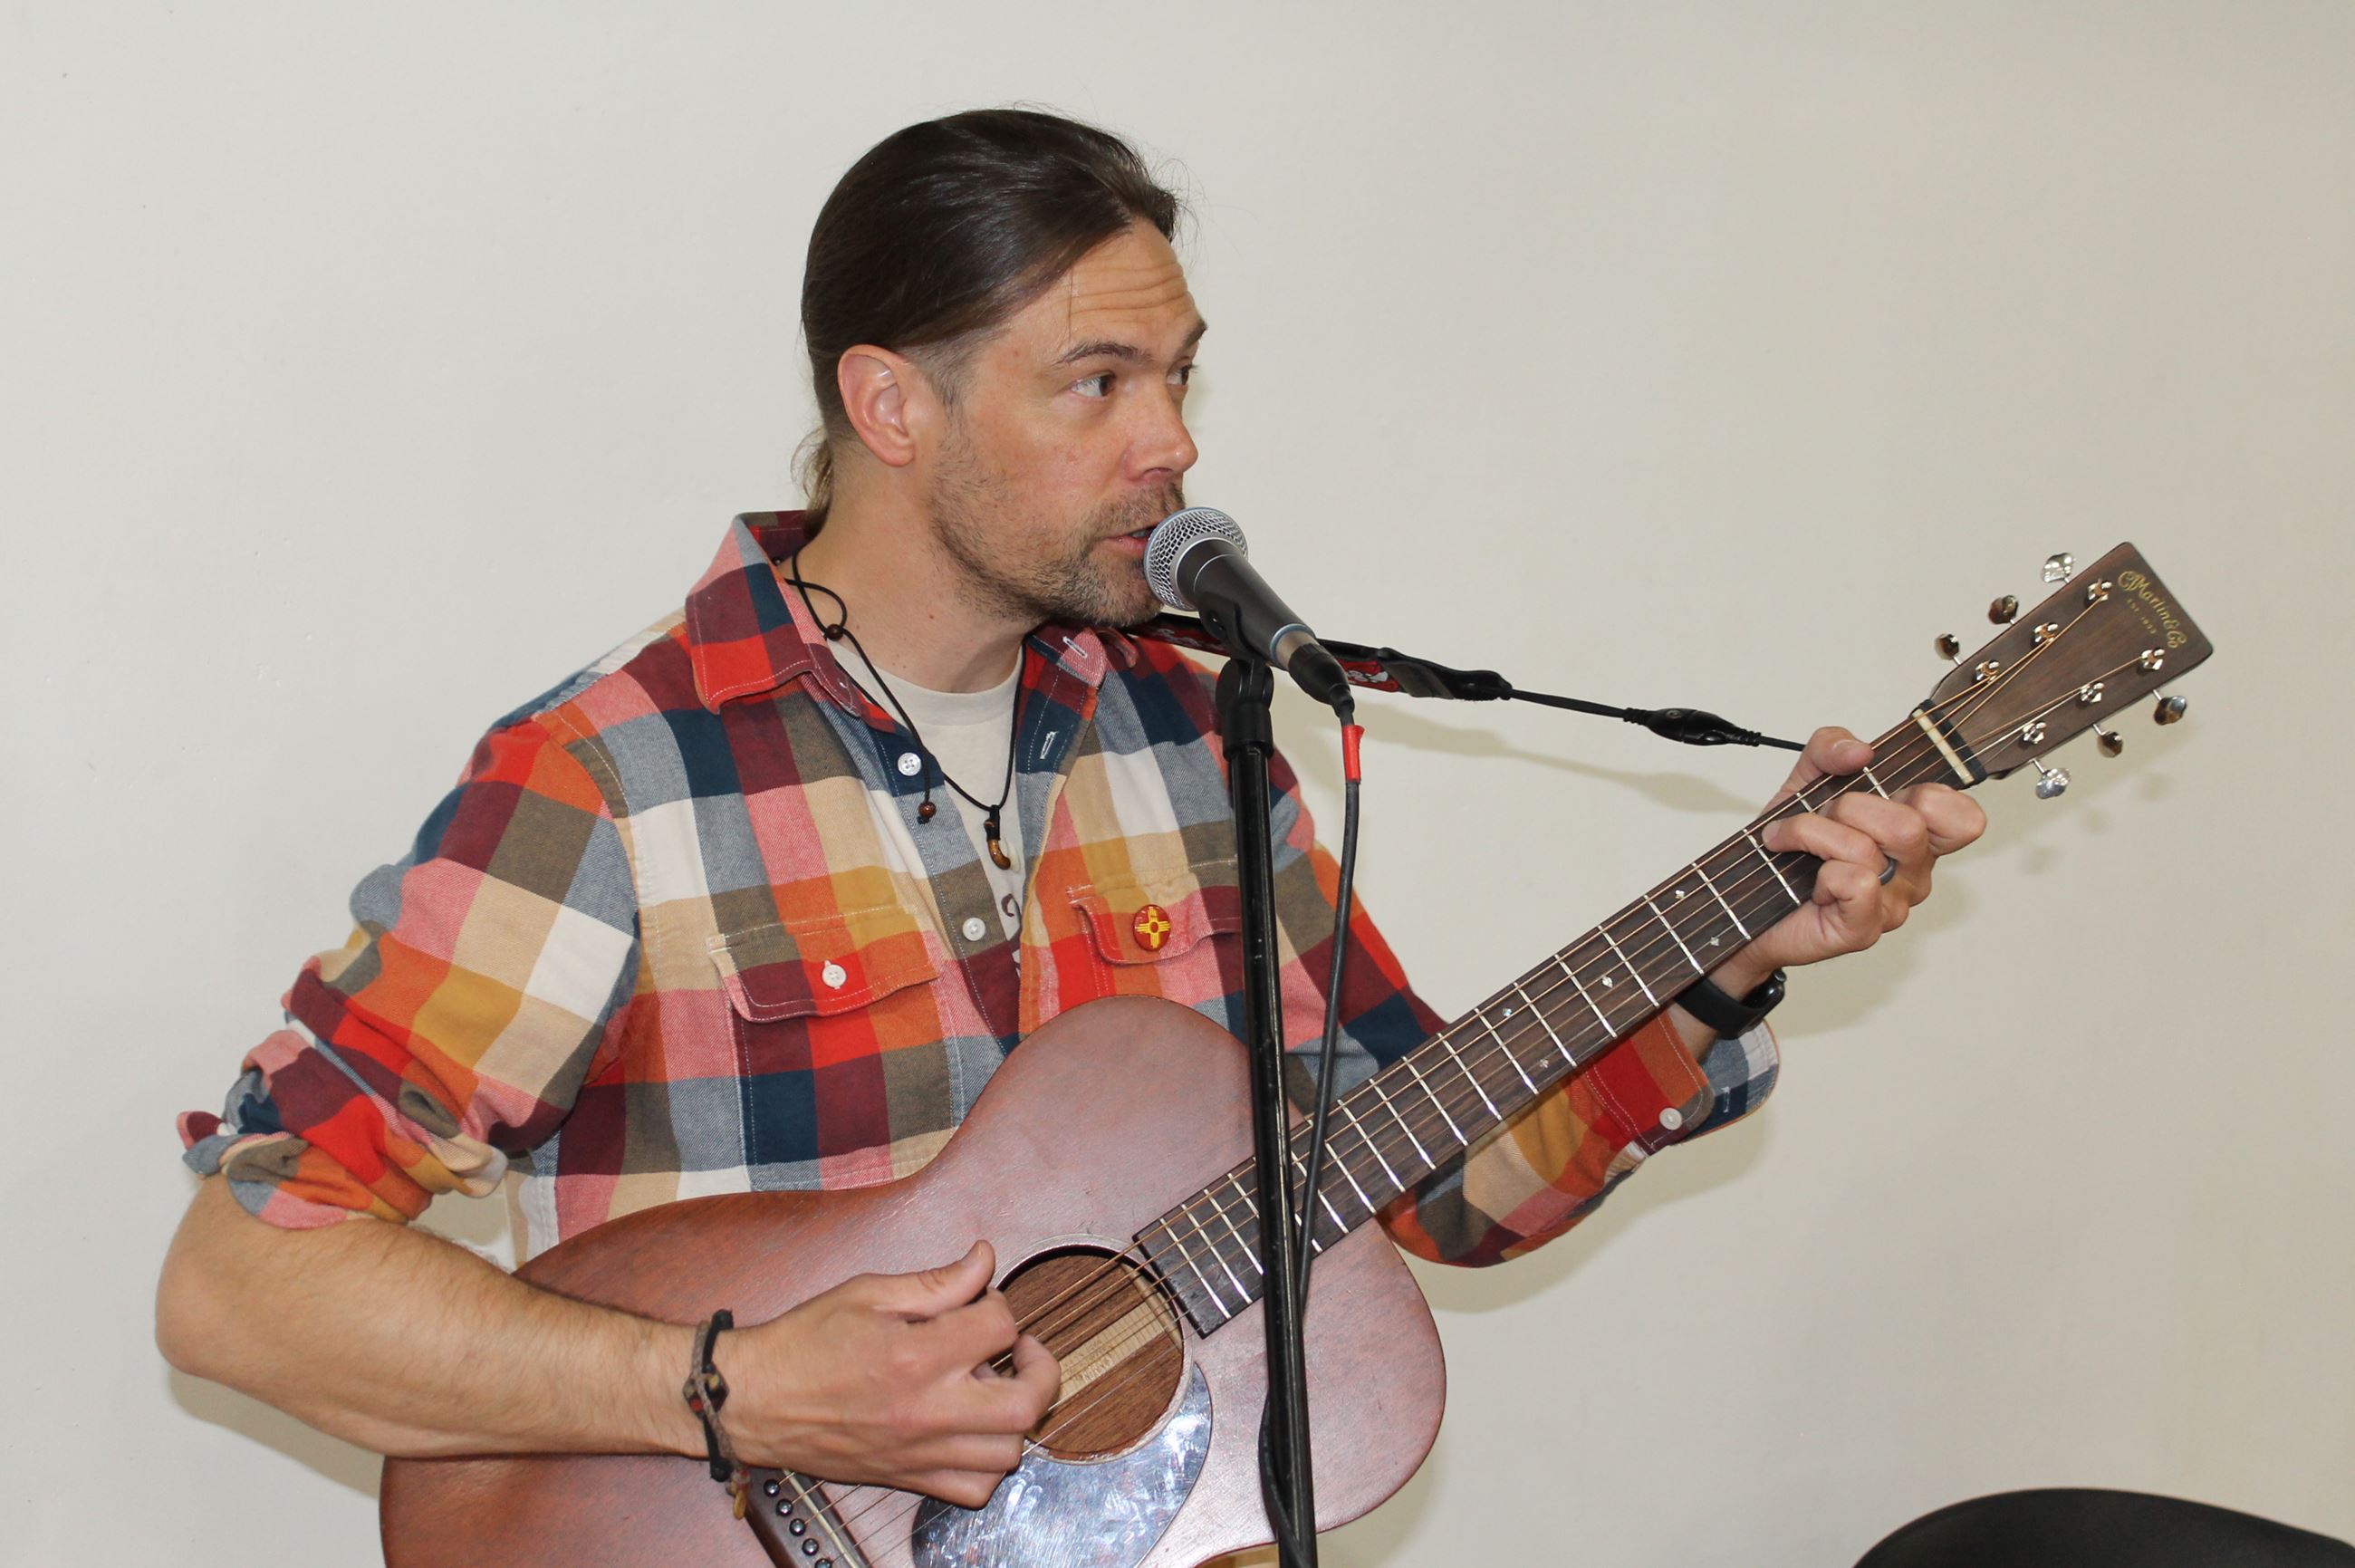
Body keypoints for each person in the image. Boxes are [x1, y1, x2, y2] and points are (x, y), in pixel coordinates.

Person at [155, 108, 1985, 1514]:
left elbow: (1428, 1185)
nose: (1168, 441)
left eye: (1176, 375)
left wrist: (1724, 959)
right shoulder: (621, 776)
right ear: (891, 403)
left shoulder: (1195, 742)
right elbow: (245, 1283)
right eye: (1094, 383)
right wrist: (734, 1383)